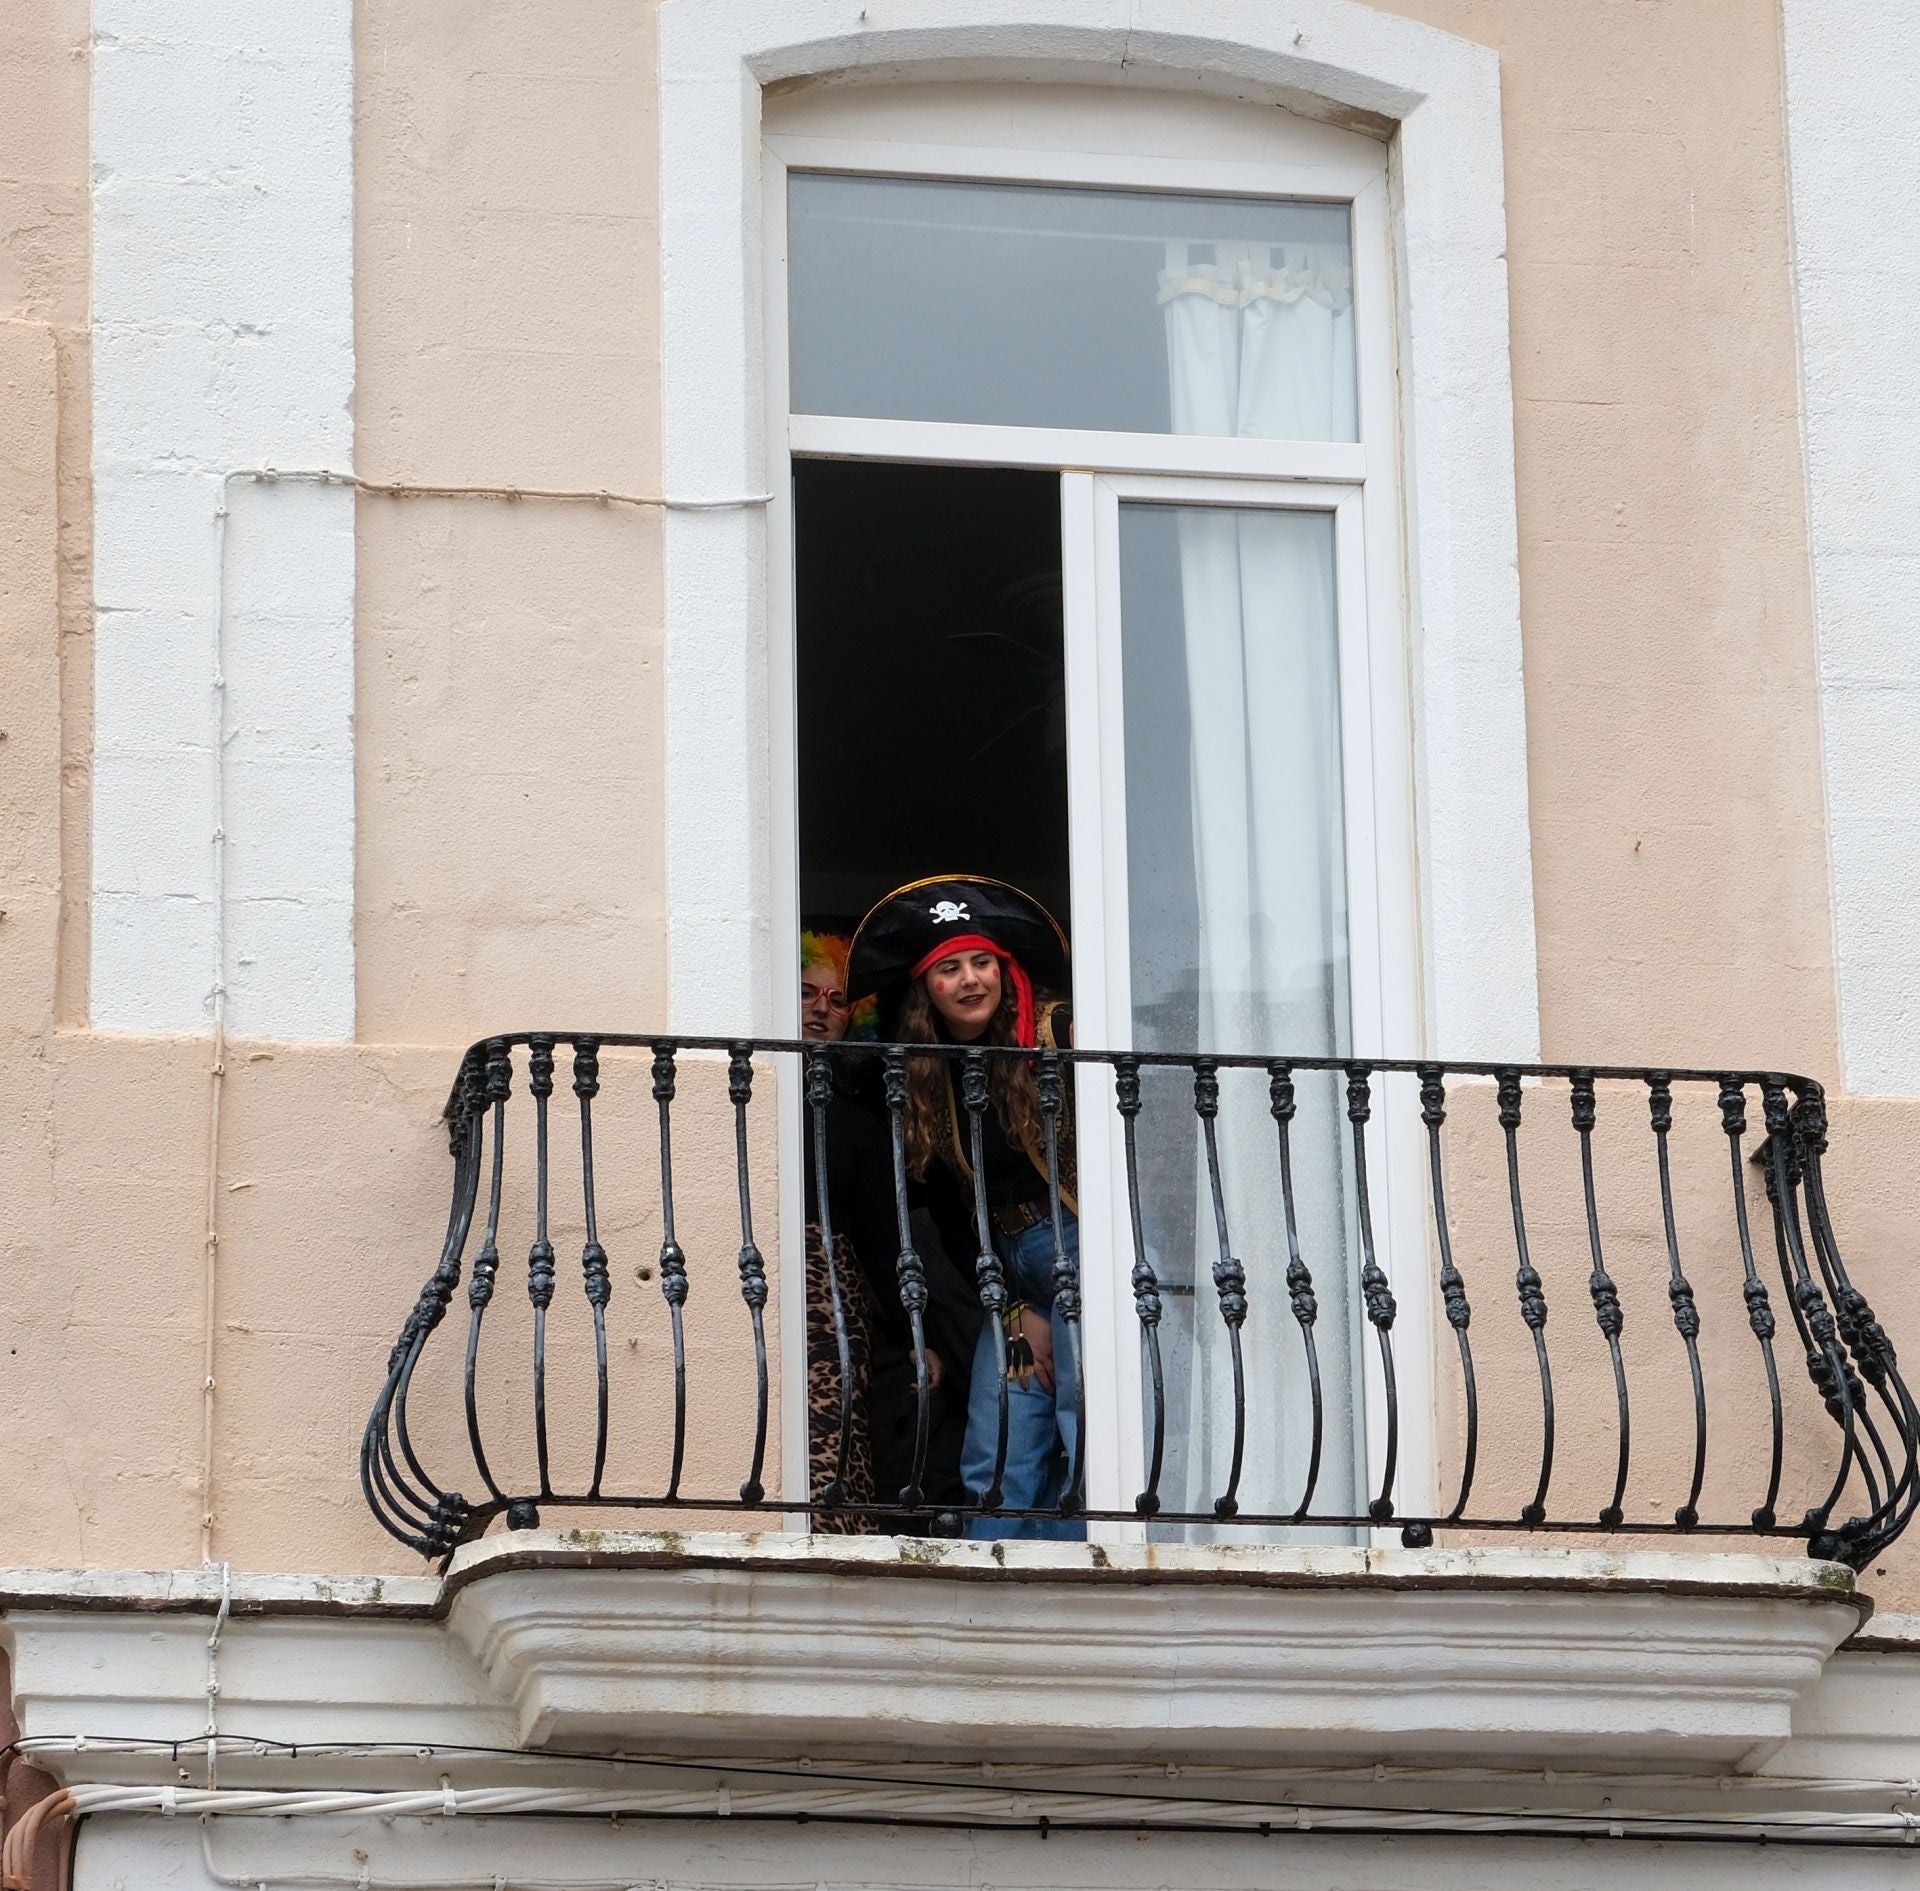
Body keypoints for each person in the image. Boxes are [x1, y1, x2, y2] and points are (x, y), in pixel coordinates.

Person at [846, 874, 1084, 1541]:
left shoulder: (1057, 1033)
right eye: (950, 968)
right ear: (928, 988)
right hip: (1016, 1281)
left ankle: (1079, 1589)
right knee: (1000, 1433)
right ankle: (997, 1599)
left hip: (1081, 1255)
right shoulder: (930, 1070)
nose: (972, 979)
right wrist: (1015, 1304)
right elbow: (950, 1217)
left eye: (982, 962)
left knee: (1081, 1416)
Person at [799, 929, 978, 1529]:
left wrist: (913, 1331)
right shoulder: (748, 1099)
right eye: (806, 993)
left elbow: (883, 1238)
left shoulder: (855, 1121)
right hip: (754, 1285)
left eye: (837, 999)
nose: (822, 1008)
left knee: (835, 1437)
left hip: (834, 1298)